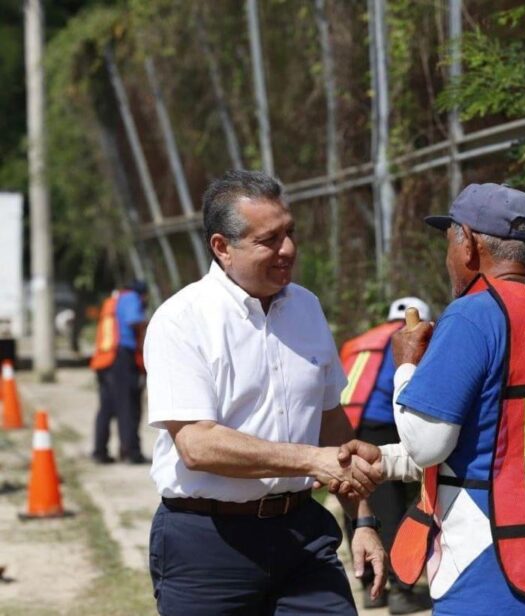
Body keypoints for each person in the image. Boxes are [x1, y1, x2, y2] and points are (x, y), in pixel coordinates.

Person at [341, 183, 525, 615]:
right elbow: (512, 447)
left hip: (490, 567)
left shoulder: (473, 315)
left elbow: (427, 443)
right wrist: (386, 460)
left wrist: (407, 366)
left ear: (466, 242)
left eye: (448, 241)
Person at [144, 169, 386, 616]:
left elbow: (332, 422)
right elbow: (197, 444)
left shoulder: (307, 307)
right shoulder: (182, 320)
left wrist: (364, 520)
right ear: (222, 247)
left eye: (290, 233)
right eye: (269, 240)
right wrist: (311, 459)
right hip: (209, 544)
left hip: (302, 536)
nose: (287, 250)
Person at [339, 297, 433, 614]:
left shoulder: (362, 341)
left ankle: (368, 587)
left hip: (346, 423)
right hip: (383, 424)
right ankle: (400, 590)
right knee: (391, 505)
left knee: (359, 499)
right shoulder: (409, 338)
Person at [90, 280, 149, 464]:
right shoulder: (131, 298)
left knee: (107, 407)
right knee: (128, 406)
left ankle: (100, 451)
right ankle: (130, 452)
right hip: (122, 357)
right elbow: (133, 321)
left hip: (104, 359)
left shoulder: (113, 301)